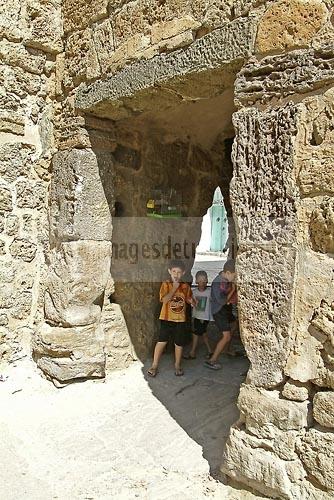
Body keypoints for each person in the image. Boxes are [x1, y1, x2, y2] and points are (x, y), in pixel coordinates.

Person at [147, 260, 195, 377]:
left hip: (180, 320)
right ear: (169, 271)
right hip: (166, 319)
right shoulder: (166, 284)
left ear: (183, 273)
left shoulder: (185, 286)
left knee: (179, 343)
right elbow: (164, 300)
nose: (176, 274)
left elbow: (189, 299)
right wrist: (174, 288)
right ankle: (154, 365)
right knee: (161, 341)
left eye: (179, 272)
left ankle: (177, 365)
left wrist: (192, 301)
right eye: (174, 271)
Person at [204, 259, 236, 370]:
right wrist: (233, 289)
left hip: (225, 309)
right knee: (226, 336)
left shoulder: (225, 279)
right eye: (234, 276)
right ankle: (212, 360)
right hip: (219, 311)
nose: (235, 279)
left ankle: (226, 348)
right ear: (227, 273)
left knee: (233, 324)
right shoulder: (218, 283)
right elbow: (221, 301)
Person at [183, 270, 212, 360]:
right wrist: (191, 302)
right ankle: (210, 351)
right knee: (203, 334)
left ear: (207, 281)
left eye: (204, 281)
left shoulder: (210, 292)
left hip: (204, 317)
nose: (202, 283)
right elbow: (191, 302)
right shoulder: (194, 292)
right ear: (196, 281)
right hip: (197, 316)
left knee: (195, 333)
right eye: (199, 281)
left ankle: (192, 352)